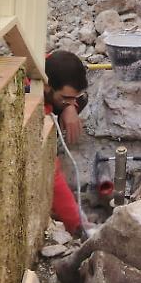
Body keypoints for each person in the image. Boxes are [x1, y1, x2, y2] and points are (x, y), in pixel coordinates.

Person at [44, 50, 88, 237]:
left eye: (73, 97)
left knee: (82, 101)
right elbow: (50, 171)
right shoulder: (30, 99)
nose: (71, 102)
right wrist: (77, 223)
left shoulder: (47, 64)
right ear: (47, 86)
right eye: (66, 97)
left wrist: (70, 106)